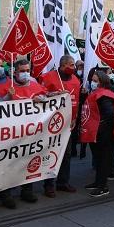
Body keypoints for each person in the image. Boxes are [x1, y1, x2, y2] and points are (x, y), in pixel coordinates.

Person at [0, 59, 46, 207]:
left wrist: (42, 99)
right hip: (11, 135)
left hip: (31, 134)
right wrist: (7, 98)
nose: (25, 73)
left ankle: (27, 190)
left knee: (28, 161)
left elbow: (47, 101)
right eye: (22, 71)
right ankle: (6, 194)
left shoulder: (36, 86)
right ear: (15, 72)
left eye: (27, 70)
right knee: (10, 164)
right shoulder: (5, 87)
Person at [41, 55, 81, 196]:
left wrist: (75, 118)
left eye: (73, 65)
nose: (73, 68)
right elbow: (41, 96)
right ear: (62, 65)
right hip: (52, 123)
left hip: (68, 123)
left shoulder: (76, 80)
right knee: (50, 153)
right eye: (70, 65)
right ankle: (49, 184)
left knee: (66, 154)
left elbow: (76, 101)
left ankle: (63, 182)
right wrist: (54, 94)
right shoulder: (48, 77)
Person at [82, 71, 114, 197]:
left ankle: (103, 186)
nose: (93, 83)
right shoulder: (98, 93)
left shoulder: (105, 95)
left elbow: (110, 113)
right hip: (98, 132)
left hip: (103, 134)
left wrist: (100, 126)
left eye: (96, 81)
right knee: (98, 158)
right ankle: (98, 182)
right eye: (92, 80)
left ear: (102, 82)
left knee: (103, 159)